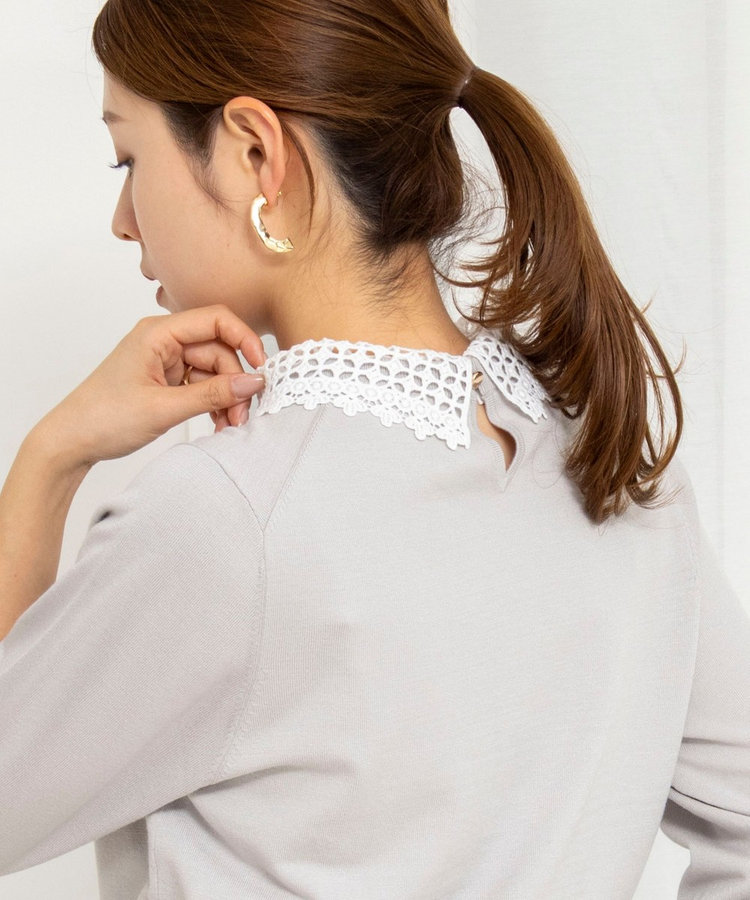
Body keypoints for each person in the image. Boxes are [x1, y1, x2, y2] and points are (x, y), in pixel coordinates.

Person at [0, 0, 748, 897]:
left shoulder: (229, 517)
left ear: (254, 152)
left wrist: (50, 460)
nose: (124, 218)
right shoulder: (616, 456)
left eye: (128, 159)